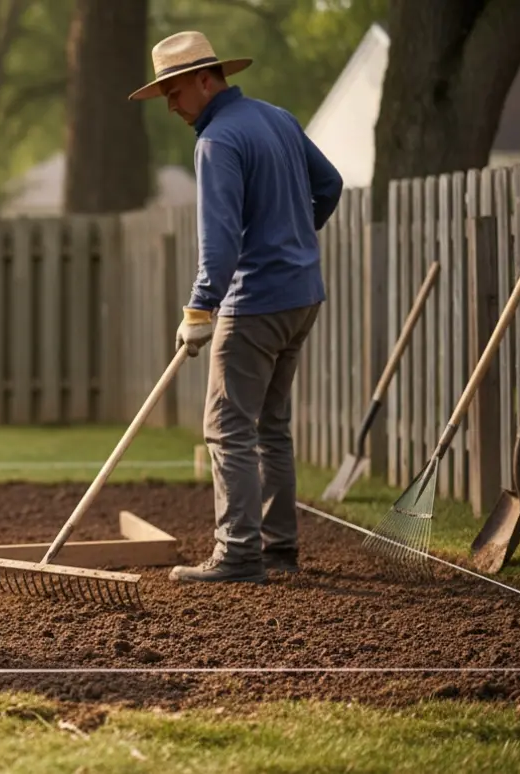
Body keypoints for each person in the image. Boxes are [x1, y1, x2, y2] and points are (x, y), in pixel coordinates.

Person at [128, 31, 343, 583]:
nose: (172, 106)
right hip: (303, 296)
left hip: (255, 305)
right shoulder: (278, 118)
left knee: (227, 429)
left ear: (205, 80)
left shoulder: (217, 140)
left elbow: (219, 242)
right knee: (271, 426)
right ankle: (278, 548)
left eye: (174, 92)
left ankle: (239, 553)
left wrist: (200, 308)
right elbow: (331, 185)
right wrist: (294, 239)